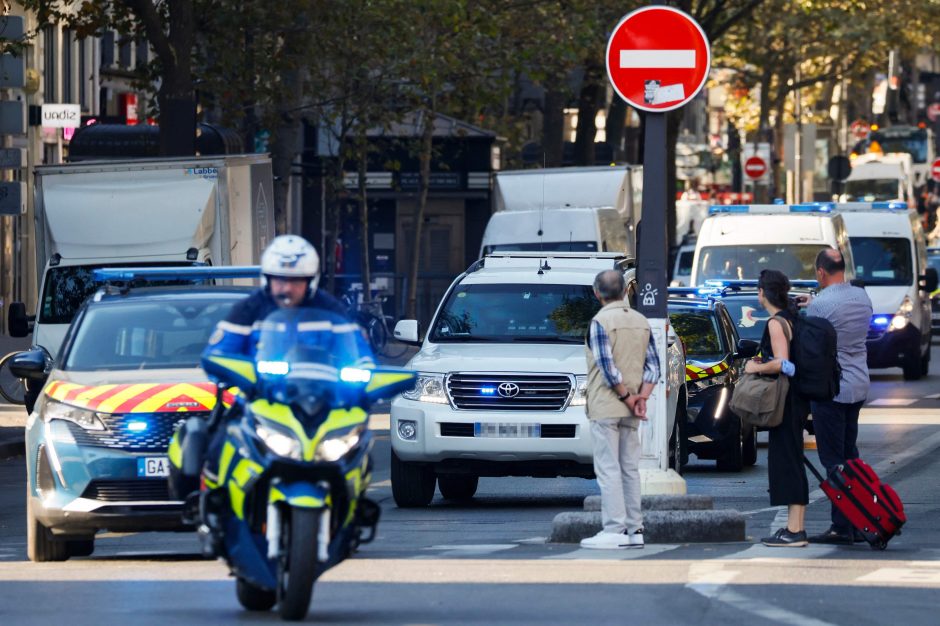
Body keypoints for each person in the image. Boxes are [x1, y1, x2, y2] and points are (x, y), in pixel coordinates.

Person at [198, 235, 374, 484]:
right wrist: (234, 372)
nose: (286, 288)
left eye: (295, 281)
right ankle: (214, 510)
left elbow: (358, 355)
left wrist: (364, 376)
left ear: (310, 282)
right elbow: (218, 354)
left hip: (322, 403)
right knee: (218, 448)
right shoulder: (248, 310)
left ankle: (353, 510)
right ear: (267, 279)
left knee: (359, 449)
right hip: (258, 400)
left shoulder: (331, 311)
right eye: (280, 280)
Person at [579, 270, 659, 550]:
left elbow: (607, 367)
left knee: (608, 469)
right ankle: (635, 528)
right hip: (633, 406)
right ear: (626, 291)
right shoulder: (641, 321)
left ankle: (614, 529)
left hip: (607, 405)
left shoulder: (600, 321)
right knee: (630, 468)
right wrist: (640, 399)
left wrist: (627, 398)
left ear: (597, 293)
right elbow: (654, 368)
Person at [800, 248, 873, 544]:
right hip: (858, 384)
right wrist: (814, 302)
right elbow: (838, 316)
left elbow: (815, 344)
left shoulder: (821, 306)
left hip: (832, 387)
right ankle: (858, 521)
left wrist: (809, 307)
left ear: (820, 272)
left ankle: (841, 526)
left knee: (832, 460)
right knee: (850, 456)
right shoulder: (862, 298)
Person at [749, 269, 809, 547]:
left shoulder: (776, 323)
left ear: (763, 292)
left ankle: (795, 530)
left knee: (787, 464)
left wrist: (756, 366)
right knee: (792, 462)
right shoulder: (792, 318)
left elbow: (785, 363)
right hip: (795, 400)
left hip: (784, 400)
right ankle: (793, 527)